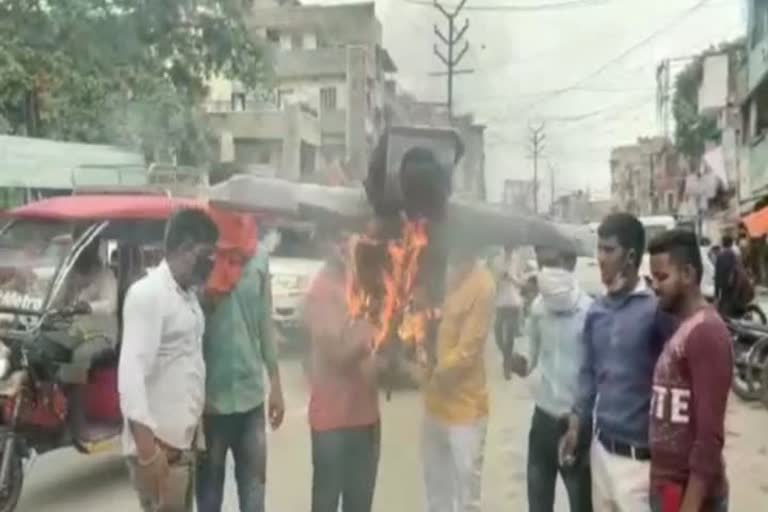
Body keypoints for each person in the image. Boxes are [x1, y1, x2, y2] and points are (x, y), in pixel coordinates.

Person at [560, 212, 672, 512]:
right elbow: (587, 376)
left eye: (608, 250)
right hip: (601, 455)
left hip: (640, 468)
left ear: (631, 256)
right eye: (599, 249)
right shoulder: (596, 312)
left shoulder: (656, 314)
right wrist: (575, 426)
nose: (600, 258)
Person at [118, 208, 218, 512]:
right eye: (206, 255)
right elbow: (131, 377)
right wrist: (149, 455)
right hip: (159, 449)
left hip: (182, 447)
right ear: (185, 249)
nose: (211, 264)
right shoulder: (148, 295)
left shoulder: (187, 297)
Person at [196, 243, 285, 512]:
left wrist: (276, 383)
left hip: (251, 400)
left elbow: (264, 322)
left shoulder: (258, 257)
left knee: (254, 499)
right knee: (209, 500)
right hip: (209, 402)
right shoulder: (203, 254)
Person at [647, 230, 731, 512]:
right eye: (652, 279)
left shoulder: (706, 332)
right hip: (669, 489)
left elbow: (710, 437)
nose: (655, 287)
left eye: (662, 278)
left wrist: (691, 503)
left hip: (691, 497)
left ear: (688, 274)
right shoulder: (683, 326)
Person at [303, 231, 382, 512]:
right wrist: (371, 335)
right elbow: (336, 353)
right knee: (325, 503)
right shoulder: (321, 289)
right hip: (332, 422)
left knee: (360, 504)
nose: (348, 243)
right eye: (340, 237)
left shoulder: (367, 283)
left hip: (366, 419)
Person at [511, 246, 592, 512]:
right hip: (543, 420)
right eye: (542, 261)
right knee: (538, 502)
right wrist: (519, 363)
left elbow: (596, 375)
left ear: (570, 261)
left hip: (575, 425)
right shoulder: (538, 308)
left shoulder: (590, 313)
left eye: (552, 261)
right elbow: (530, 358)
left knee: (580, 503)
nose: (545, 269)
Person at [419, 245, 495, 512]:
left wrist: (428, 373)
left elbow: (468, 352)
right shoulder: (442, 273)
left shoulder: (482, 285)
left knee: (466, 496)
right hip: (435, 408)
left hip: (466, 411)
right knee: (435, 489)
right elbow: (434, 323)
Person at [491, 244, 525, 379]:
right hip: (500, 302)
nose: (508, 250)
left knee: (509, 338)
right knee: (498, 334)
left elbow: (522, 283)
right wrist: (499, 277)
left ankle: (507, 367)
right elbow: (493, 281)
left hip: (513, 302)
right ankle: (510, 357)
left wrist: (511, 278)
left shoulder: (518, 260)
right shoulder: (497, 260)